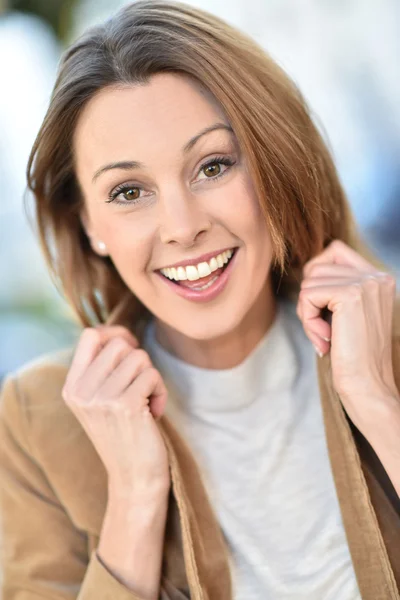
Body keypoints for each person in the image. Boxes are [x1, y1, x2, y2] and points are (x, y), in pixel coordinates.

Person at [0, 1, 399, 599]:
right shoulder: (37, 420)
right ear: (89, 225)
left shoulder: (387, 340)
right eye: (129, 191)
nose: (182, 227)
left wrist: (379, 402)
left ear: (275, 164)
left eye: (213, 166)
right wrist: (135, 494)